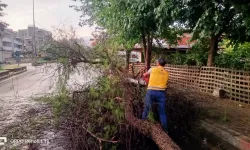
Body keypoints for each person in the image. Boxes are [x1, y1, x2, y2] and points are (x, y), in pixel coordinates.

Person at [142, 58, 169, 132]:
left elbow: (145, 75)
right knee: (162, 113)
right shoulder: (167, 73)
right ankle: (165, 130)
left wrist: (146, 78)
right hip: (161, 94)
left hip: (151, 92)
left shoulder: (152, 69)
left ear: (158, 63)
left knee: (146, 109)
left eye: (157, 62)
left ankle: (142, 124)